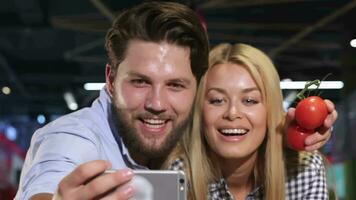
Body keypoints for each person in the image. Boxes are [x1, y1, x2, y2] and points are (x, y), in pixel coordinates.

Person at [15, 2, 336, 200]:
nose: (157, 102)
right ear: (111, 80)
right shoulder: (75, 136)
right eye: (140, 81)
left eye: (175, 85)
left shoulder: (189, 135)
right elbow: (52, 177)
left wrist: (293, 131)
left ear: (193, 90)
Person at [168, 43, 337, 199]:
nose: (232, 113)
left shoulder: (304, 170)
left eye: (249, 100)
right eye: (217, 100)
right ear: (200, 112)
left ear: (269, 112)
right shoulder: (176, 175)